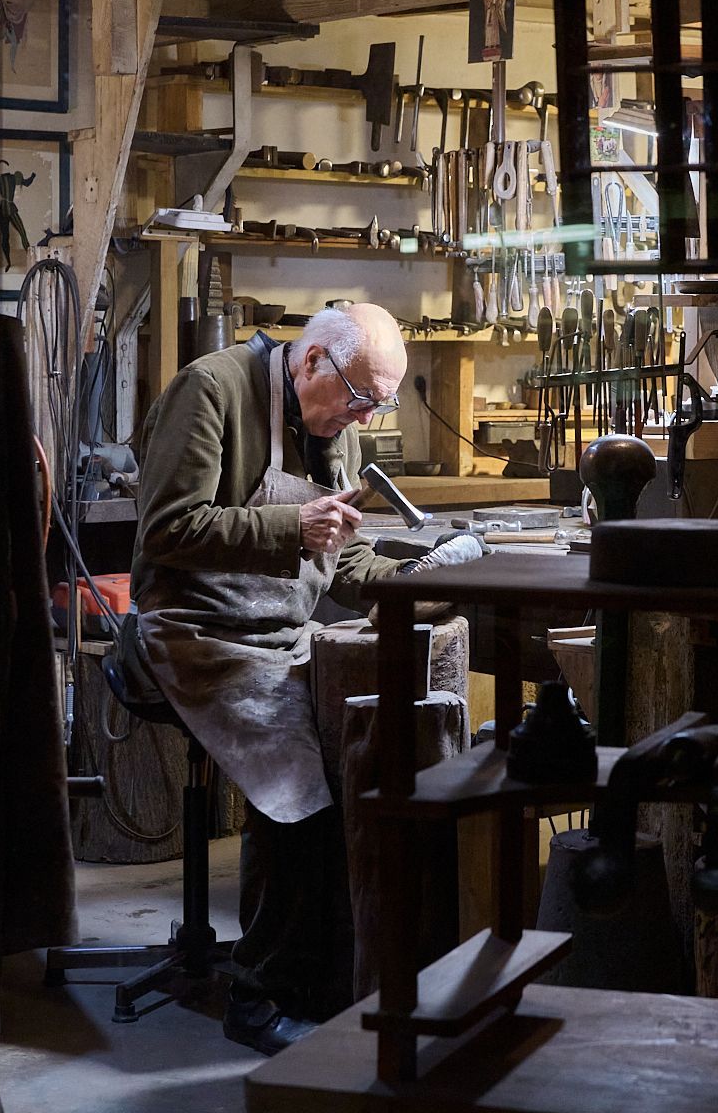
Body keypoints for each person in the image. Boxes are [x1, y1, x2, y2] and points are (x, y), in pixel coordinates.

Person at [128, 303, 483, 1055]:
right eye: (358, 398)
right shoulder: (212, 390)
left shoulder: (333, 424)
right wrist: (292, 528)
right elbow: (164, 527)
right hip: (195, 632)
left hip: (284, 634)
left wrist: (415, 579)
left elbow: (340, 561)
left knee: (354, 759)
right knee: (300, 794)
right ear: (313, 359)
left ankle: (328, 982)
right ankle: (256, 999)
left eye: (376, 406)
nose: (361, 417)